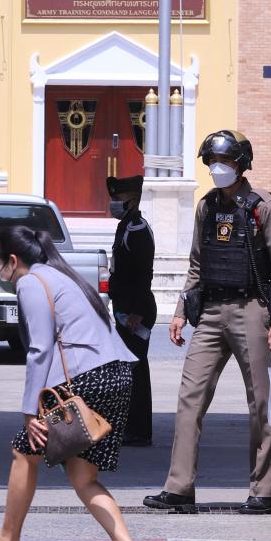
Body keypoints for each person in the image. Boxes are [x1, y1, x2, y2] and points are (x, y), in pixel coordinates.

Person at [0, 226, 144, 541]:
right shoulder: (64, 275)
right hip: (117, 375)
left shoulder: (32, 282)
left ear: (12, 261)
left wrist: (29, 410)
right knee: (83, 477)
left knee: (24, 451)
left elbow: (40, 348)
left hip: (87, 379)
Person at [145, 129, 271, 516]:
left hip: (251, 310)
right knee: (190, 398)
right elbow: (196, 263)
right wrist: (179, 311)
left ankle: (264, 489)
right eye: (211, 163)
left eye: (223, 162)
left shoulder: (263, 207)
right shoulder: (206, 206)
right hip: (209, 312)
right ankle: (179, 486)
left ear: (241, 165)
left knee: (261, 403)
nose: (216, 169)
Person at [106, 173, 156, 446]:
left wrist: (135, 312)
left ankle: (139, 430)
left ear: (133, 199)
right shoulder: (125, 225)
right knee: (128, 369)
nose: (113, 202)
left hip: (136, 311)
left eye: (118, 198)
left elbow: (142, 275)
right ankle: (131, 427)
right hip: (125, 309)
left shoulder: (136, 228)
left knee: (136, 370)